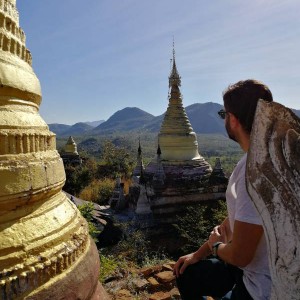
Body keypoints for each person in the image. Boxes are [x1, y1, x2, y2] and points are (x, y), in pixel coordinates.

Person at [173, 79, 273, 300]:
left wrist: (216, 247)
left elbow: (241, 255)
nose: (224, 120)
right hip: (247, 269)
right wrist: (199, 254)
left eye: (223, 115)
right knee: (186, 271)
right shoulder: (268, 159)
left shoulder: (252, 172)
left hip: (259, 288)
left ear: (233, 120)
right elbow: (239, 218)